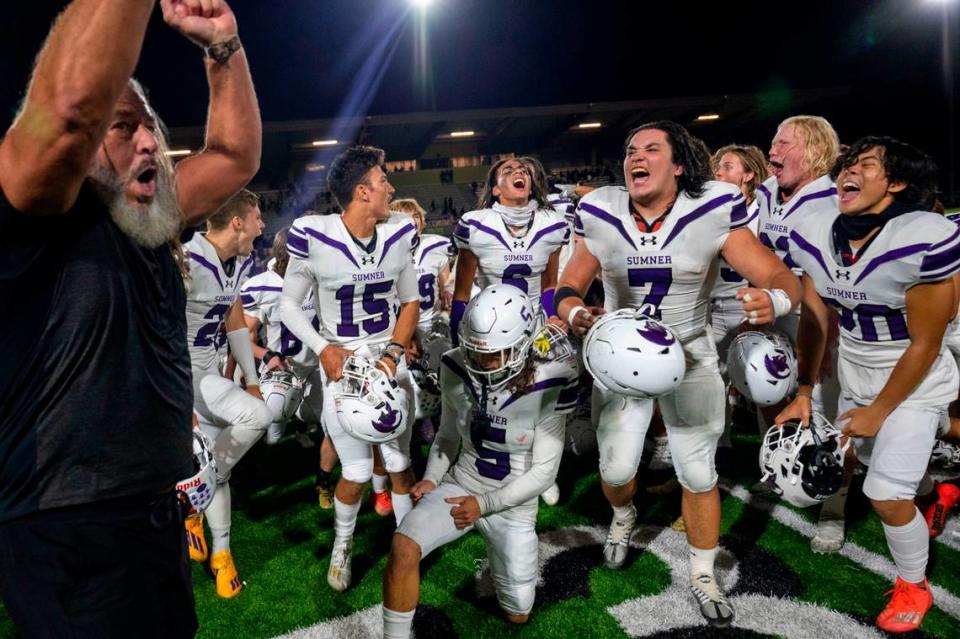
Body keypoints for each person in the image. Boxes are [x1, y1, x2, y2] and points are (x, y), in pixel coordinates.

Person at [0, 0, 260, 634]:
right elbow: (65, 116)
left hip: (151, 511)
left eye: (151, 126)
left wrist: (223, 47)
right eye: (122, 127)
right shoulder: (38, 213)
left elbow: (234, 156)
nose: (150, 140)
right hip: (66, 524)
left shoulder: (150, 218)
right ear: (87, 147)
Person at [556, 121, 802, 627]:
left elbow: (779, 275)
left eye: (651, 148)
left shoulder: (713, 206)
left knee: (697, 471)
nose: (635, 157)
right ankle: (624, 518)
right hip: (621, 358)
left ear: (679, 165)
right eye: (629, 150)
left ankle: (703, 570)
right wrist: (576, 311)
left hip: (690, 350)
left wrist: (772, 299)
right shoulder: (599, 210)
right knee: (618, 469)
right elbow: (565, 286)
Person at [776, 136, 960, 633]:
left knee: (882, 491)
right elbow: (814, 318)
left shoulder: (923, 236)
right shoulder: (816, 227)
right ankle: (935, 496)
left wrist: (879, 410)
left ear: (896, 183)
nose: (846, 173)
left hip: (914, 374)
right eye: (846, 165)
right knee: (870, 469)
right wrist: (804, 392)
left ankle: (913, 585)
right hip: (855, 365)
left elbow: (926, 341)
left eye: (865, 165)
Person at [382, 285, 578, 638]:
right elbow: (446, 436)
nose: (480, 362)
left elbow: (544, 472)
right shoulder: (456, 364)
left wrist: (484, 506)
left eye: (493, 355)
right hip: (463, 483)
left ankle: (500, 558)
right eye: (473, 351)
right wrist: (431, 478)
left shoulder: (551, 380)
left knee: (518, 614)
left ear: (522, 345)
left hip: (512, 502)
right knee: (403, 546)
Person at [280, 145, 420, 592]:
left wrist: (394, 353)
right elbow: (287, 305)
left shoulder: (399, 232)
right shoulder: (314, 234)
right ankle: (343, 544)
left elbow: (411, 301)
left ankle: (408, 543)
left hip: (387, 358)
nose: (391, 188)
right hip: (342, 365)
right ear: (362, 192)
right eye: (383, 181)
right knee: (357, 472)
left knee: (400, 460)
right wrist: (323, 348)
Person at [183, 189, 271, 598]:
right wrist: (179, 402)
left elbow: (235, 320)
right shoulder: (183, 259)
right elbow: (158, 334)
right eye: (257, 216)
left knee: (216, 466)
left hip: (210, 372)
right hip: (182, 377)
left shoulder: (238, 260)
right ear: (237, 221)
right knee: (259, 417)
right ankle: (199, 494)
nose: (262, 224)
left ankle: (220, 552)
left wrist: (251, 379)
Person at [451, 158, 569, 344]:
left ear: (530, 188)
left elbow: (548, 286)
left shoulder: (552, 224)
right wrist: (457, 342)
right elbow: (462, 294)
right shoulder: (475, 225)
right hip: (492, 328)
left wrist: (552, 316)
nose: (519, 172)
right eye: (508, 171)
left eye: (524, 170)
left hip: (537, 327)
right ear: (495, 190)